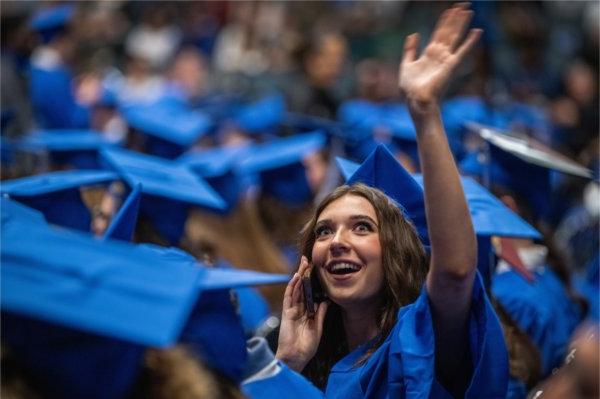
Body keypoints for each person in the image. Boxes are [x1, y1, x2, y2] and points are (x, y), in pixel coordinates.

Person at [275, 4, 508, 398]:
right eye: (324, 230)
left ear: (396, 251)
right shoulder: (304, 358)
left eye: (362, 227)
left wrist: (425, 112)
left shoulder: (416, 343)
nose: (337, 241)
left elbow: (453, 271)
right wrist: (288, 364)